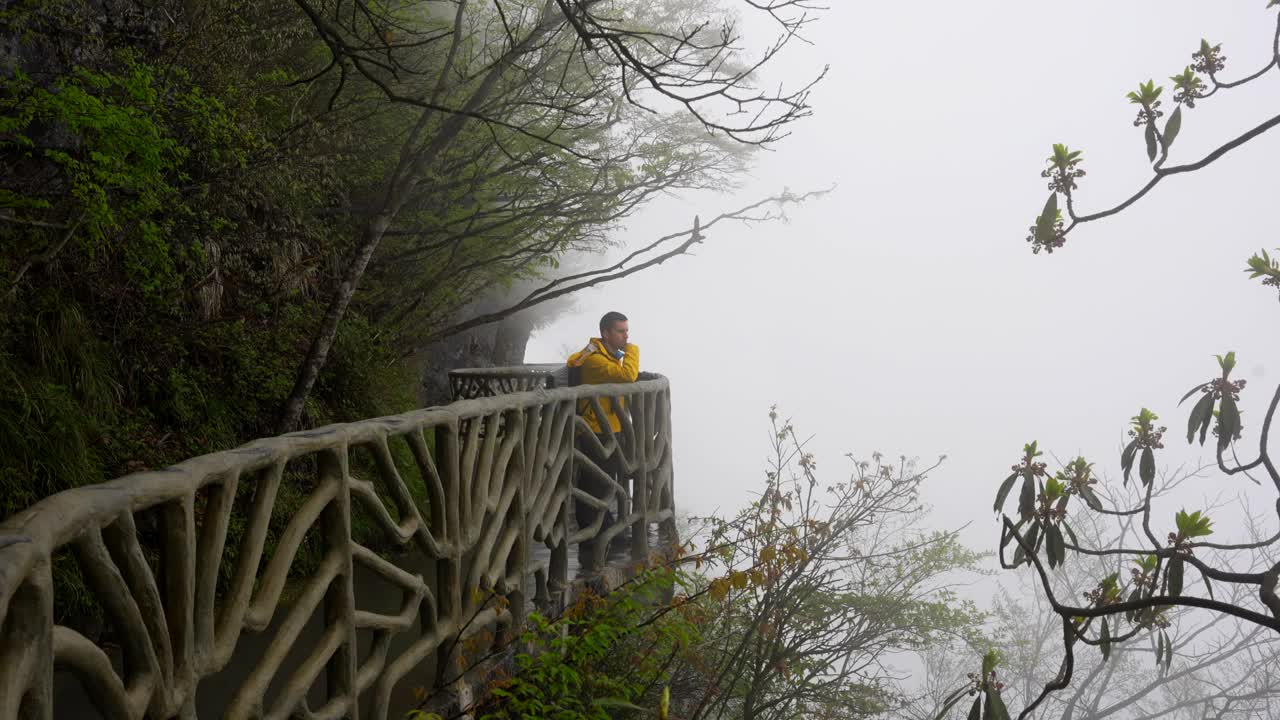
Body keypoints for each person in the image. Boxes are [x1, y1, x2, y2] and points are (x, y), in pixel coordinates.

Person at [565, 311, 639, 543]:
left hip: (607, 427)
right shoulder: (595, 359)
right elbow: (628, 375)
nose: (626, 336)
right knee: (595, 481)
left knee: (606, 479)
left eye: (627, 331)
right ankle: (593, 535)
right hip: (595, 429)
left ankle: (602, 527)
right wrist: (633, 351)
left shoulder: (605, 354)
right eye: (620, 331)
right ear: (605, 333)